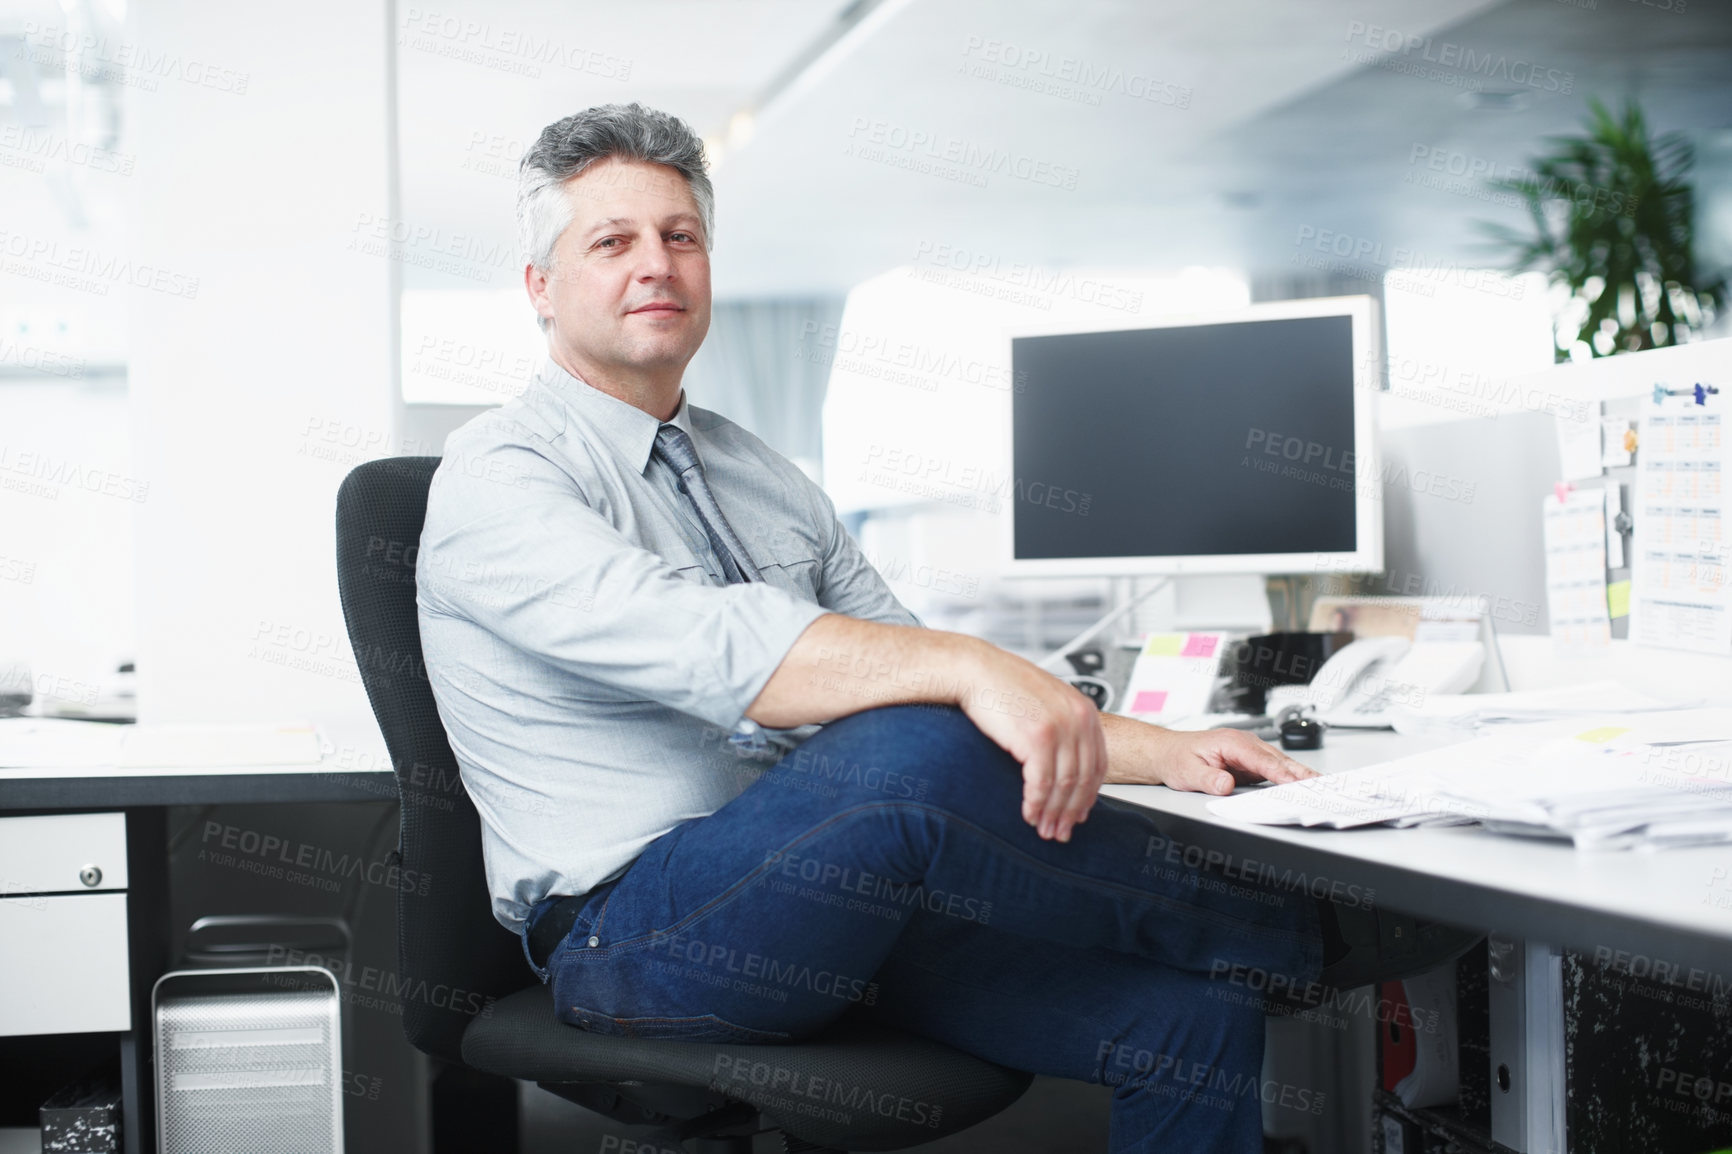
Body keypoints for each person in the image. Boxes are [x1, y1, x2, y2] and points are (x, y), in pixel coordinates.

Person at [417, 102, 1469, 1152]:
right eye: (612, 241)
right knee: (910, 740)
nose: (656, 263)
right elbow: (717, 646)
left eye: (679, 235)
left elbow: (906, 658)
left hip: (832, 903)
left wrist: (1165, 750)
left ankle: (1275, 943)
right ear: (541, 290)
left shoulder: (760, 474)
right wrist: (967, 668)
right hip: (636, 934)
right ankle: (1308, 931)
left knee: (1187, 1021)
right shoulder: (498, 474)